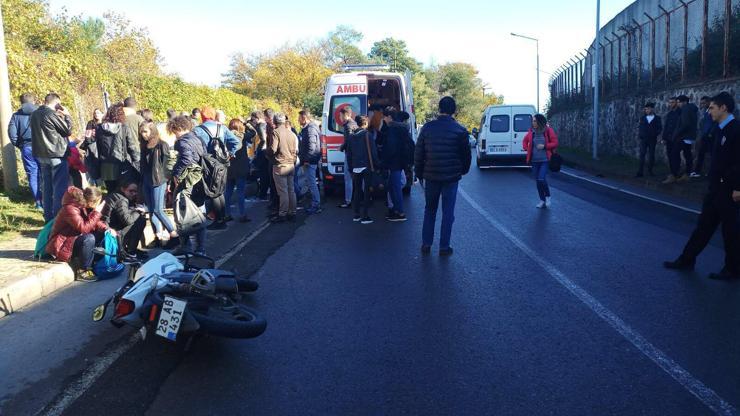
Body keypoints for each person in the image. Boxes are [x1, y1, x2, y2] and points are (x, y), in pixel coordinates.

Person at [664, 92, 740, 280]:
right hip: (715, 188)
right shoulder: (718, 128)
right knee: (703, 227)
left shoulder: (736, 129)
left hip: (730, 190)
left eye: (712, 107)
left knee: (731, 231)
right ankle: (687, 259)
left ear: (723, 108)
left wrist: (738, 187)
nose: (709, 110)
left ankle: (733, 269)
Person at [415, 97, 471, 256]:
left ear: (439, 109)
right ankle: (444, 247)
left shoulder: (427, 128)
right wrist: (463, 170)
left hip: (431, 176)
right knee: (448, 212)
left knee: (430, 210)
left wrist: (418, 173)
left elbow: (419, 153)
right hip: (451, 178)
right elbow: (466, 156)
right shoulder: (460, 130)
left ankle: (426, 243)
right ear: (454, 110)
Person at [46, 186, 109, 282]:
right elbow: (84, 228)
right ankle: (82, 270)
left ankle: (94, 263)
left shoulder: (83, 205)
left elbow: (92, 221)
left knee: (102, 234)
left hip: (73, 238)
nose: (99, 205)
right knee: (89, 238)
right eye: (98, 202)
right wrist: (97, 212)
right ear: (92, 202)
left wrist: (107, 229)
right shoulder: (70, 209)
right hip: (61, 244)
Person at [193, 106, 241, 229]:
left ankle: (219, 221)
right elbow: (237, 142)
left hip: (207, 163)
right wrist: (230, 154)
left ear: (202, 116)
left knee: (212, 191)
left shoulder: (198, 130)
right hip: (222, 163)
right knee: (220, 191)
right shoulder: (222, 128)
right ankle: (222, 219)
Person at [31, 93, 73, 222]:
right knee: (59, 187)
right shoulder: (50, 114)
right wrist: (67, 116)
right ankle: (58, 218)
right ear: (55, 103)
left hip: (41, 154)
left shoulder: (34, 114)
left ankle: (48, 217)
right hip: (56, 154)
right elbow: (67, 130)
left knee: (47, 188)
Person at [169, 116, 207, 255]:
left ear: (179, 128)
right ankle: (201, 248)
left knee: (181, 213)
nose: (175, 134)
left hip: (187, 181)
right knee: (199, 213)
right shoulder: (198, 138)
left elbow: (186, 159)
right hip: (200, 180)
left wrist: (176, 174)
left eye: (175, 131)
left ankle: (185, 245)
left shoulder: (182, 142)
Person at [140, 121, 178, 247]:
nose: (143, 134)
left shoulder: (162, 145)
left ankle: (174, 234)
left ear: (152, 131)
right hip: (147, 180)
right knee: (151, 210)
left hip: (158, 180)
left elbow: (168, 165)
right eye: (142, 132)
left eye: (145, 131)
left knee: (158, 210)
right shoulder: (144, 146)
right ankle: (158, 236)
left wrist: (168, 181)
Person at [95, 103, 139, 192]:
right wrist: (137, 161)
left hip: (106, 167)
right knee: (124, 191)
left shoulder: (99, 129)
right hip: (122, 164)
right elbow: (131, 147)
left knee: (111, 192)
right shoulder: (123, 128)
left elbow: (98, 148)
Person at [8, 93, 42, 209]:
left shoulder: (16, 116)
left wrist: (20, 145)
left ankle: (38, 203)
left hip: (27, 148)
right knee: (46, 173)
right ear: (33, 101)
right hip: (42, 147)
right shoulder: (40, 112)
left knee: (33, 175)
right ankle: (49, 200)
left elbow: (12, 134)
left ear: (21, 102)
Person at [101, 179, 148, 260]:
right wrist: (138, 211)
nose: (133, 193)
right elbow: (127, 220)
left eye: (135, 191)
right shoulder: (121, 200)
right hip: (111, 231)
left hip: (110, 227)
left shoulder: (116, 195)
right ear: (123, 189)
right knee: (140, 220)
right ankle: (131, 252)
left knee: (138, 219)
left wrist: (134, 209)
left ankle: (129, 249)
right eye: (131, 191)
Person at [345, 115, 380, 224]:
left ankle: (356, 214)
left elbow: (349, 154)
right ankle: (365, 216)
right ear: (365, 124)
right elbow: (373, 152)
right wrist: (377, 165)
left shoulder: (351, 137)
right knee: (366, 191)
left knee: (357, 191)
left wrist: (351, 168)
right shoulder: (367, 135)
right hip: (366, 166)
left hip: (355, 167)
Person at [381, 110, 414, 222]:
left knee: (394, 187)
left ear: (389, 117)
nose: (383, 119)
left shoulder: (393, 129)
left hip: (394, 163)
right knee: (394, 186)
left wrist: (384, 162)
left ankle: (399, 212)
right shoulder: (402, 128)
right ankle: (396, 210)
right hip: (401, 162)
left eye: (384, 117)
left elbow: (391, 147)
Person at [523, 114, 559, 208]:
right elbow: (524, 141)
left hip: (545, 160)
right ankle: (542, 200)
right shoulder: (531, 132)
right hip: (534, 161)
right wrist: (527, 149)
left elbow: (555, 143)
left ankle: (548, 197)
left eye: (535, 121)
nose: (533, 123)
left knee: (541, 179)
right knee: (538, 181)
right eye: (533, 121)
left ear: (540, 121)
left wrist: (545, 146)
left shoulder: (548, 130)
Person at [268, 113, 298, 222]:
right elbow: (295, 150)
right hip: (291, 164)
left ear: (275, 122)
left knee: (283, 192)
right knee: (291, 190)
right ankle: (292, 212)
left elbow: (273, 149)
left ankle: (282, 214)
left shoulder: (276, 132)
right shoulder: (291, 133)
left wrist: (267, 153)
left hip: (280, 165)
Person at [224, 118, 254, 223]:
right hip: (241, 168)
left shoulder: (226, 136)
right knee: (241, 192)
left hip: (229, 168)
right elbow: (253, 133)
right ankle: (242, 214)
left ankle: (227, 214)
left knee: (228, 192)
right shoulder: (242, 136)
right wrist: (247, 123)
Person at [298, 109, 322, 214]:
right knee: (311, 183)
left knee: (312, 183)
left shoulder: (310, 129)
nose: (298, 120)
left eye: (299, 118)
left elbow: (311, 146)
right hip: (311, 160)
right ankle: (315, 203)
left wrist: (307, 160)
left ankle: (316, 205)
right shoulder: (311, 128)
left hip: (310, 161)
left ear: (304, 118)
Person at [670, 95, 699, 182]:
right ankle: (687, 174)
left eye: (679, 102)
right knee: (687, 154)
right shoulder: (691, 109)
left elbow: (685, 124)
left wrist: (676, 134)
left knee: (674, 153)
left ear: (684, 102)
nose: (678, 104)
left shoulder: (686, 109)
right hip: (689, 137)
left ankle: (674, 174)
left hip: (684, 136)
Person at [338, 106, 358, 209]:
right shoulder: (354, 124)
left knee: (348, 178)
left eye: (341, 115)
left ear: (346, 115)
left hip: (350, 154)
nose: (340, 117)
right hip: (356, 155)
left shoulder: (348, 126)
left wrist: (342, 147)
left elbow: (349, 141)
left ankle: (348, 200)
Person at [636, 103, 663, 177]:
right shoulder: (642, 118)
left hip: (652, 139)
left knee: (651, 155)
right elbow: (640, 127)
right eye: (645, 109)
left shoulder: (657, 118)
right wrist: (641, 135)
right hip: (644, 139)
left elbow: (659, 128)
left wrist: (656, 134)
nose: (646, 110)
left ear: (652, 109)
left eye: (648, 109)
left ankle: (650, 171)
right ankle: (640, 172)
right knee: (642, 155)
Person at [249, 111, 270, 201]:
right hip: (266, 153)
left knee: (262, 175)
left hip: (262, 153)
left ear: (257, 118)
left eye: (253, 119)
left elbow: (263, 140)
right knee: (265, 174)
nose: (252, 121)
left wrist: (258, 150)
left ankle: (262, 194)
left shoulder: (261, 126)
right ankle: (263, 193)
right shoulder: (265, 125)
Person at [122, 97, 144, 181]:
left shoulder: (119, 119)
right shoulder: (138, 118)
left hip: (123, 152)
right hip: (137, 150)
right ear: (135, 106)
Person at [694, 96, 716, 177]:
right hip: (704, 135)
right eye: (701, 103)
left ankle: (711, 173)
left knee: (712, 155)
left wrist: (711, 133)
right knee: (701, 153)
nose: (702, 105)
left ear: (708, 102)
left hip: (710, 136)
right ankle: (697, 171)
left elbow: (715, 123)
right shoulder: (705, 111)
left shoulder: (712, 111)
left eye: (703, 103)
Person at [81, 108, 104, 185]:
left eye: (98, 113)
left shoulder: (105, 122)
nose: (96, 114)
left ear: (102, 114)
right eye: (95, 113)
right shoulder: (91, 123)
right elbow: (88, 137)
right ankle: (96, 182)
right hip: (93, 146)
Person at [662, 97, 682, 184]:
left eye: (673, 102)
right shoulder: (669, 113)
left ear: (676, 103)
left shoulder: (680, 113)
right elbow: (666, 126)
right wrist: (664, 138)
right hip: (669, 139)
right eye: (670, 102)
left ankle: (675, 174)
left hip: (676, 138)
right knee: (670, 156)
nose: (671, 104)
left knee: (675, 156)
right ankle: (672, 173)